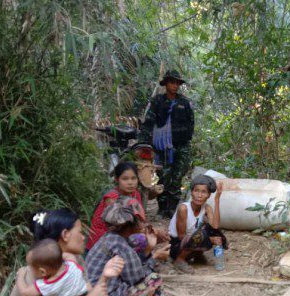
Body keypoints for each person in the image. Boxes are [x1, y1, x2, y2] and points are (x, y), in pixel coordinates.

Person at [86, 197, 171, 296]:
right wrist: (154, 256)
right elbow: (137, 278)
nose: (143, 225)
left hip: (96, 295)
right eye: (140, 222)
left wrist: (149, 249)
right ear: (130, 225)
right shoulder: (120, 245)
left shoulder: (111, 238)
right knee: (153, 280)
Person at [141, 69, 195, 218]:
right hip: (162, 147)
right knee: (163, 176)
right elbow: (149, 122)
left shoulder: (185, 102)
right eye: (172, 82)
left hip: (182, 146)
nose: (175, 85)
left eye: (177, 82)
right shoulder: (157, 101)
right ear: (166, 84)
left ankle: (172, 209)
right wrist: (145, 141)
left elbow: (191, 123)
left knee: (177, 177)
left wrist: (185, 139)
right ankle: (162, 208)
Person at [87, 162, 168, 251]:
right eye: (125, 179)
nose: (130, 183)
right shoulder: (112, 197)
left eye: (133, 178)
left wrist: (151, 230)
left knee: (146, 238)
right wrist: (154, 232)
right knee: (144, 238)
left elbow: (139, 220)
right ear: (117, 179)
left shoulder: (135, 194)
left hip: (122, 232)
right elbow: (118, 226)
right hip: (103, 238)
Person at [169, 175, 228, 274]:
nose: (199, 195)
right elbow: (181, 237)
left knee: (216, 234)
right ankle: (179, 260)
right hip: (177, 247)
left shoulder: (206, 207)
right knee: (200, 235)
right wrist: (208, 240)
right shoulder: (183, 209)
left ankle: (198, 256)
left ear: (209, 195)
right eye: (196, 191)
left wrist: (217, 199)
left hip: (191, 242)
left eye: (204, 192)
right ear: (191, 192)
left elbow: (215, 226)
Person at [18, 239, 89, 296]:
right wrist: (55, 257)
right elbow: (69, 256)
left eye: (31, 267)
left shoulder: (48, 285)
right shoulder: (72, 265)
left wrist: (20, 275)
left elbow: (24, 293)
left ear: (43, 272)